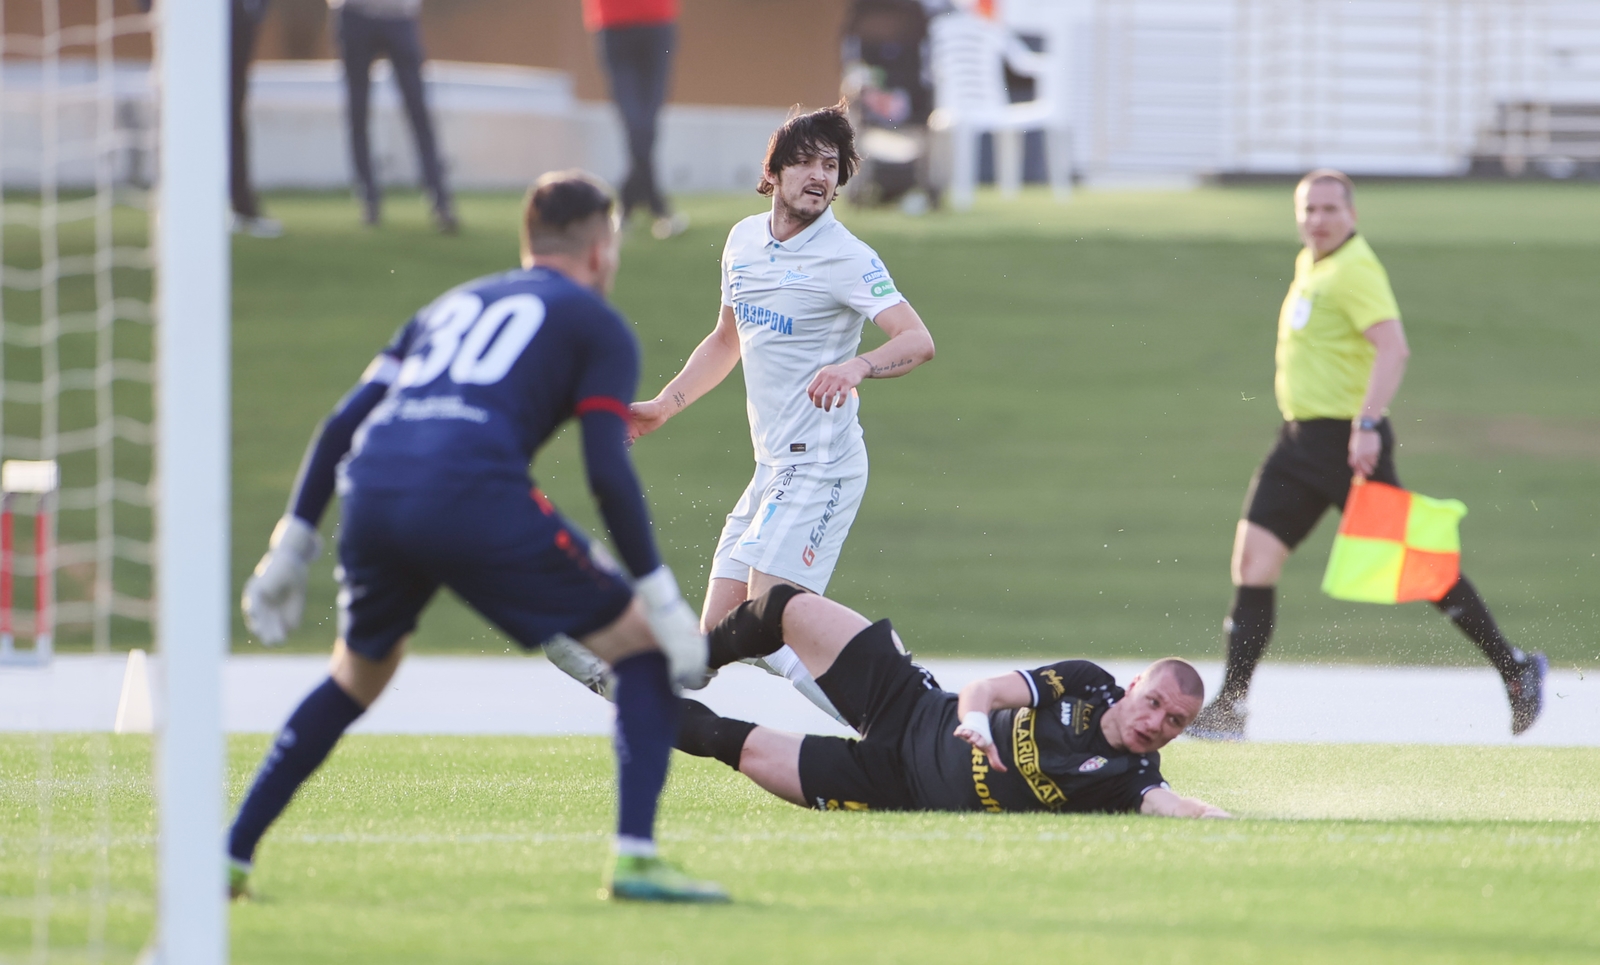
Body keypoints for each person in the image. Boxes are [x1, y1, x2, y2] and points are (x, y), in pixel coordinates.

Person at [229, 172, 724, 903]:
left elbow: (343, 423)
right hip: (471, 492)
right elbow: (605, 467)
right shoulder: (595, 322)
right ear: (598, 249)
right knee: (644, 647)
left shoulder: (450, 305)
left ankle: (230, 857)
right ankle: (636, 859)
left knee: (355, 678)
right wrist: (660, 593)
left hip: (374, 490)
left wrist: (291, 543)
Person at [1188, 169, 1547, 742]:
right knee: (1253, 563)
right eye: (1309, 209)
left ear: (1352, 215)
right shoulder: (1314, 263)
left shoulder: (1355, 269)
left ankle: (1516, 669)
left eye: (1330, 209)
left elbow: (1393, 348)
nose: (1318, 220)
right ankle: (1229, 708)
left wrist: (1369, 423)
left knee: (1420, 566)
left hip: (1348, 444)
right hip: (1299, 442)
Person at [625, 103, 936, 725]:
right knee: (714, 641)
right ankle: (895, 707)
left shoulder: (846, 256)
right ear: (773, 172)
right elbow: (726, 340)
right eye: (806, 162)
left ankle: (909, 719)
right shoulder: (743, 241)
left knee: (770, 619)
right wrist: (665, 405)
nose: (820, 175)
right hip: (772, 469)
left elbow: (917, 340)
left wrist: (858, 367)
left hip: (821, 464)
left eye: (832, 165)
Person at [676, 585, 1230, 818]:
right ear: (1134, 686)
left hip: (891, 785)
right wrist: (977, 725)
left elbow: (1172, 806)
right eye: (1154, 702)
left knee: (724, 740)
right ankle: (690, 663)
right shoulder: (1086, 682)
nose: (1156, 723)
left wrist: (1218, 820)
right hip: (910, 704)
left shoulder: (1130, 777)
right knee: (783, 605)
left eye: (1174, 722)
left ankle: (639, 701)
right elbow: (984, 692)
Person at [332, 0, 457, 232]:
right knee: (357, 113)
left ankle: (439, 197)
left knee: (418, 110)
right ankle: (368, 197)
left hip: (399, 15)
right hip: (355, 13)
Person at [584, 0, 684, 239]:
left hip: (657, 21)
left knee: (647, 120)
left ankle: (629, 202)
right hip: (614, 23)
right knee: (634, 121)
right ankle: (656, 204)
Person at [230, 0, 282, 238]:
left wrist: (254, 9)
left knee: (233, 113)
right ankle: (187, 208)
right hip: (187, 28)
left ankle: (243, 209)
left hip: (237, 18)